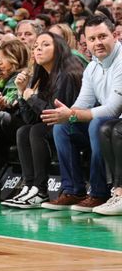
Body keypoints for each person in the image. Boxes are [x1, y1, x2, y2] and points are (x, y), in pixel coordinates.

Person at [40, 15, 122, 212]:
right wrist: (67, 113)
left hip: (115, 124)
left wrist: (73, 115)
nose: (97, 43)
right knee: (62, 127)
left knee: (97, 123)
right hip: (109, 125)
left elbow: (113, 108)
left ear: (115, 36)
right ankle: (73, 190)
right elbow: (82, 103)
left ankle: (99, 193)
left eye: (102, 36)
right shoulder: (92, 67)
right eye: (92, 39)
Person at [3, 33, 83, 209]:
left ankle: (40, 190)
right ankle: (29, 185)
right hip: (55, 126)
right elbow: (30, 119)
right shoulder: (44, 76)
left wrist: (31, 97)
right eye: (36, 46)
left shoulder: (68, 74)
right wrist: (21, 92)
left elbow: (52, 114)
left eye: (45, 44)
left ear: (59, 49)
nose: (38, 48)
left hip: (75, 126)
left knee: (36, 131)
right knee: (24, 130)